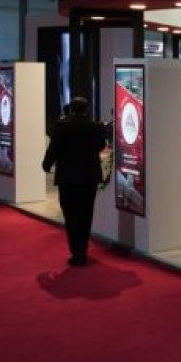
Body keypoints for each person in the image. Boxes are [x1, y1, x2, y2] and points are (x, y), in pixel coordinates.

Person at [41, 96, 108, 266]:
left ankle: (76, 251)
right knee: (86, 214)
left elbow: (53, 148)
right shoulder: (96, 127)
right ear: (87, 110)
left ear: (70, 110)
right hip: (89, 178)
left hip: (68, 178)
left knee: (70, 215)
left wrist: (46, 164)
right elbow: (101, 146)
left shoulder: (62, 127)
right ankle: (83, 249)